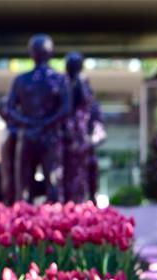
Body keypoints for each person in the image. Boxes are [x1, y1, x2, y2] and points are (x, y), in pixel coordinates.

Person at [5, 34, 71, 203]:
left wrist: (30, 123)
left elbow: (9, 109)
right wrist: (45, 123)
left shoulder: (23, 80)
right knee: (50, 182)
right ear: (50, 53)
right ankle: (53, 222)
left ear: (31, 54)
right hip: (45, 135)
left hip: (32, 134)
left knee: (28, 184)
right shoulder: (59, 80)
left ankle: (24, 222)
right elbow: (65, 109)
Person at [62, 52, 94, 202]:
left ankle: (77, 202)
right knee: (67, 174)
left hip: (77, 134)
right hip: (67, 134)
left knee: (78, 174)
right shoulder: (65, 82)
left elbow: (85, 107)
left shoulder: (81, 82)